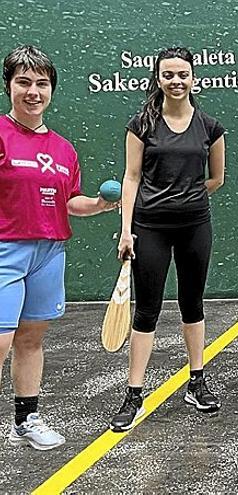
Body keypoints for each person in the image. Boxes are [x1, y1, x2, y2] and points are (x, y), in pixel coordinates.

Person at [1, 45, 116, 449]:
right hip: (5, 251)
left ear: (52, 90)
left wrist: (101, 205)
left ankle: (25, 419)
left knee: (31, 338)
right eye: (24, 82)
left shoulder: (64, 149)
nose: (33, 91)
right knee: (0, 338)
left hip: (49, 251)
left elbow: (70, 202)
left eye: (42, 83)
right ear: (9, 86)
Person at [109, 47, 226, 431]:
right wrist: (127, 229)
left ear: (193, 78)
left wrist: (184, 196)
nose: (176, 81)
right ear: (157, 79)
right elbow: (131, 177)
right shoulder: (140, 124)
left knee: (193, 305)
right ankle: (134, 394)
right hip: (149, 228)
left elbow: (217, 179)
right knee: (147, 310)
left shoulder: (209, 126)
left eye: (183, 74)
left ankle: (197, 381)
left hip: (195, 227)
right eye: (168, 75)